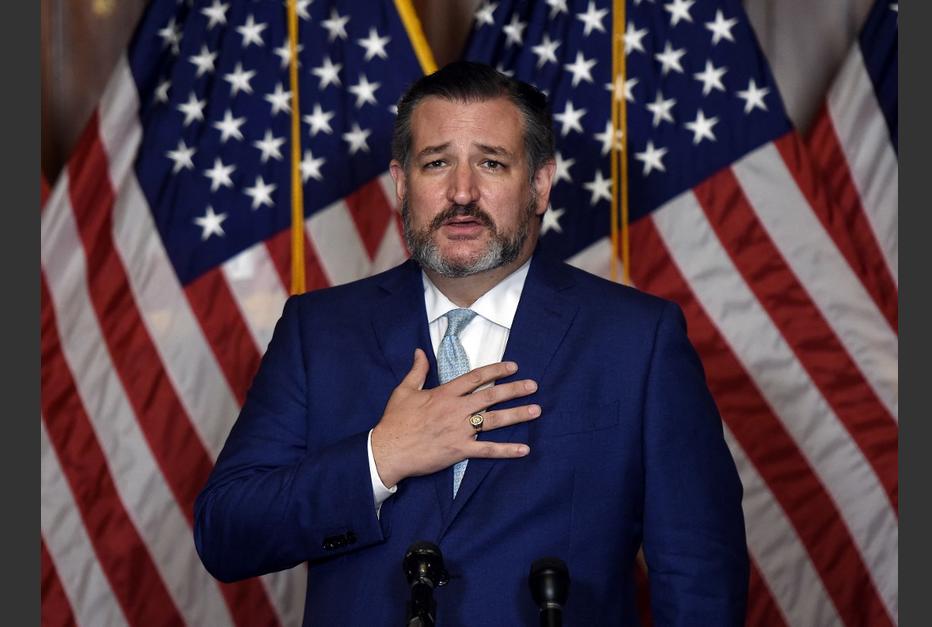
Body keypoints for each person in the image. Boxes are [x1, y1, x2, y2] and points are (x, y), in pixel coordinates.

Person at [194, 61, 749, 626]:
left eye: (491, 162)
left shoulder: (638, 340)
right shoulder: (318, 331)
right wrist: (379, 459)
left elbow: (700, 572)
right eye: (436, 163)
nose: (462, 192)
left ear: (539, 185)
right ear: (403, 183)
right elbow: (226, 533)